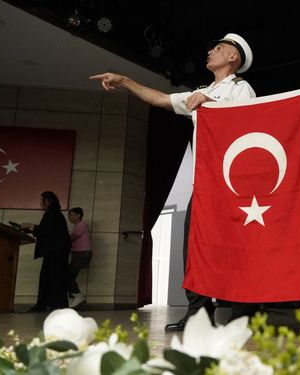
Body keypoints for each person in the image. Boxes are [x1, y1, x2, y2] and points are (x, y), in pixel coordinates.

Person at [90, 33, 257, 331]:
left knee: (231, 247)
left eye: (218, 48)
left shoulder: (241, 89)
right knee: (194, 248)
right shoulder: (202, 89)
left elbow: (246, 122)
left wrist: (211, 102)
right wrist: (124, 80)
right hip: (203, 184)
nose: (210, 50)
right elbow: (160, 99)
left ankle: (242, 311)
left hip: (230, 185)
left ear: (233, 58)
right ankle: (199, 313)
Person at [21, 191, 71, 312]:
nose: (40, 203)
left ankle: (55, 305)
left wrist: (31, 226)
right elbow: (47, 231)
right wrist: (30, 230)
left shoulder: (53, 213)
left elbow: (47, 230)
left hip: (57, 252)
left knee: (54, 278)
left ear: (49, 201)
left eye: (41, 200)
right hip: (55, 251)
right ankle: (50, 304)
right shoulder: (52, 213)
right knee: (49, 278)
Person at [67, 207, 92, 308]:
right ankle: (73, 297)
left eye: (72, 215)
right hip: (79, 254)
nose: (70, 217)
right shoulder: (78, 226)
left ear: (78, 215)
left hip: (82, 254)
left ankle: (78, 296)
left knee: (68, 275)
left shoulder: (82, 225)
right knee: (70, 276)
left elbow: (73, 237)